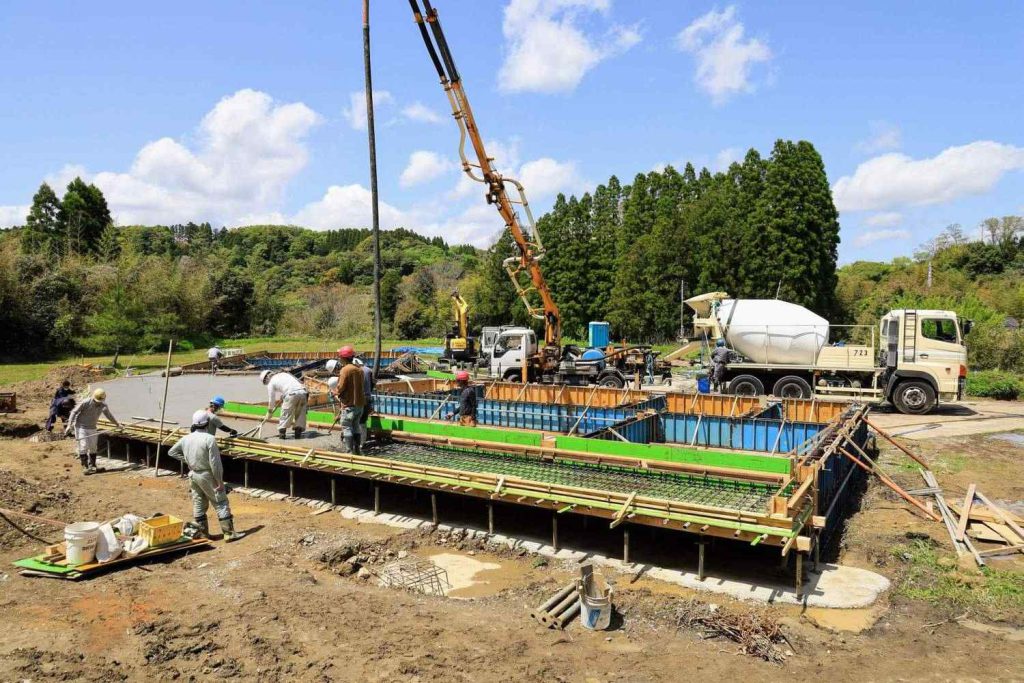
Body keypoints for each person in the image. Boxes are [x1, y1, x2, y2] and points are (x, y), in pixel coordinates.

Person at [168, 411, 244, 542]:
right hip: (207, 474)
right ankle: (229, 533)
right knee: (220, 502)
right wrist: (219, 481)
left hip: (193, 475)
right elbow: (215, 463)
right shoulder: (209, 439)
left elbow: (172, 452)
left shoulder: (186, 438)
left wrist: (189, 462)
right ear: (207, 423)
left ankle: (203, 534)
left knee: (198, 503)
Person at [66, 388, 121, 474]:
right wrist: (69, 425)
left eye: (100, 401)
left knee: (93, 447)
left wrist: (117, 425)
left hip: (92, 428)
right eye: (97, 400)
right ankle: (85, 467)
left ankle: (93, 466)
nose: (98, 402)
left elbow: (109, 415)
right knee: (83, 446)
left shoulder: (103, 405)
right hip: (81, 427)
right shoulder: (85, 402)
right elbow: (74, 412)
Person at [260, 370, 309, 440]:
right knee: (300, 415)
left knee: (285, 415)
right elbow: (293, 384)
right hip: (303, 393)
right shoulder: (283, 374)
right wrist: (284, 394)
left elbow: (271, 399)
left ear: (266, 379)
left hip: (291, 394)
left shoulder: (270, 383)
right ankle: (298, 437)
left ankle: (282, 437)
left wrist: (269, 412)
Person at [334, 346, 365, 453]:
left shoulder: (345, 370)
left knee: (347, 427)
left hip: (349, 405)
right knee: (356, 426)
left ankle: (349, 451)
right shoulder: (359, 369)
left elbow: (341, 386)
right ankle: (357, 449)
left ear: (343, 358)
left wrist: (335, 392)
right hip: (360, 404)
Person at [355, 357, 375, 445]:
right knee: (363, 421)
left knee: (357, 420)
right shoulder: (368, 370)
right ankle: (362, 442)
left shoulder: (357, 371)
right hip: (368, 397)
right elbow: (373, 383)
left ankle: (358, 442)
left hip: (359, 399)